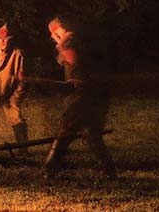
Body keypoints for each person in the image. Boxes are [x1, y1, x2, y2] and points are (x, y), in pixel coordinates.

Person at [44, 16, 116, 179]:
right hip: (97, 92)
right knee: (92, 133)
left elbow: (72, 59)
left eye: (54, 33)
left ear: (58, 30)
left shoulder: (68, 42)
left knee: (65, 130)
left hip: (82, 91)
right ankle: (109, 171)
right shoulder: (80, 40)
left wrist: (59, 46)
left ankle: (50, 168)